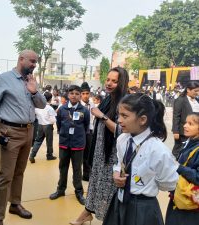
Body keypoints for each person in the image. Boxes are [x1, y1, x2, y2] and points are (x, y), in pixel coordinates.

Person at [0, 50, 46, 225]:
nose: (34, 65)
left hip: (29, 131)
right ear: (21, 59)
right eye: (32, 61)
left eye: (36, 62)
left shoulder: (31, 80)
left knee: (19, 172)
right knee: (6, 175)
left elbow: (42, 104)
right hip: (10, 131)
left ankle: (15, 204)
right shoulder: (4, 79)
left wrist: (34, 91)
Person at [103, 93, 178, 225]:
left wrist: (148, 182)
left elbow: (170, 183)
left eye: (124, 116)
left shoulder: (158, 150)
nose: (119, 120)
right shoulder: (122, 139)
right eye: (119, 115)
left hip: (143, 208)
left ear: (142, 120)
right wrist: (116, 172)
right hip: (119, 200)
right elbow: (119, 162)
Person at [70, 67, 129, 224]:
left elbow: (122, 130)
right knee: (95, 182)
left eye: (114, 81)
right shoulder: (109, 98)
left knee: (108, 188)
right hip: (101, 150)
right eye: (108, 79)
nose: (109, 83)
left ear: (122, 82)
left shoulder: (126, 102)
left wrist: (101, 116)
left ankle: (107, 218)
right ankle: (87, 212)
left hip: (113, 153)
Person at [49, 85, 90, 205]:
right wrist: (63, 134)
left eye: (77, 93)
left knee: (77, 169)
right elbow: (59, 124)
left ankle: (79, 192)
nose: (74, 95)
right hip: (64, 143)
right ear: (68, 94)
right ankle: (60, 190)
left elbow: (86, 126)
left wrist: (78, 135)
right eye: (72, 93)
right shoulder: (62, 109)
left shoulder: (84, 111)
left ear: (80, 95)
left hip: (78, 144)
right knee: (63, 167)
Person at [165, 112, 199, 225]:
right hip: (180, 198)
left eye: (191, 124)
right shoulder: (189, 142)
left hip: (190, 205)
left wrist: (178, 167)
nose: (185, 126)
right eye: (185, 122)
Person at [172, 81, 199, 159]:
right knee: (178, 150)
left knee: (190, 150)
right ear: (188, 90)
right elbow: (176, 116)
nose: (197, 93)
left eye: (198, 91)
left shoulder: (197, 101)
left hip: (195, 132)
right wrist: (175, 131)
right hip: (183, 131)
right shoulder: (180, 100)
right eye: (195, 91)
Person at [29, 91, 57, 163]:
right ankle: (49, 155)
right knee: (49, 142)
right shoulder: (50, 108)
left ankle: (32, 155)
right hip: (48, 126)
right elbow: (53, 120)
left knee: (38, 141)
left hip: (40, 125)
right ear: (50, 99)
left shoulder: (38, 107)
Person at [80, 82, 95, 181]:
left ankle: (86, 174)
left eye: (87, 93)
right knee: (80, 154)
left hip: (90, 130)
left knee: (89, 153)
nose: (85, 96)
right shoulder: (78, 104)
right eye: (83, 93)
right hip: (80, 132)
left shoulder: (92, 103)